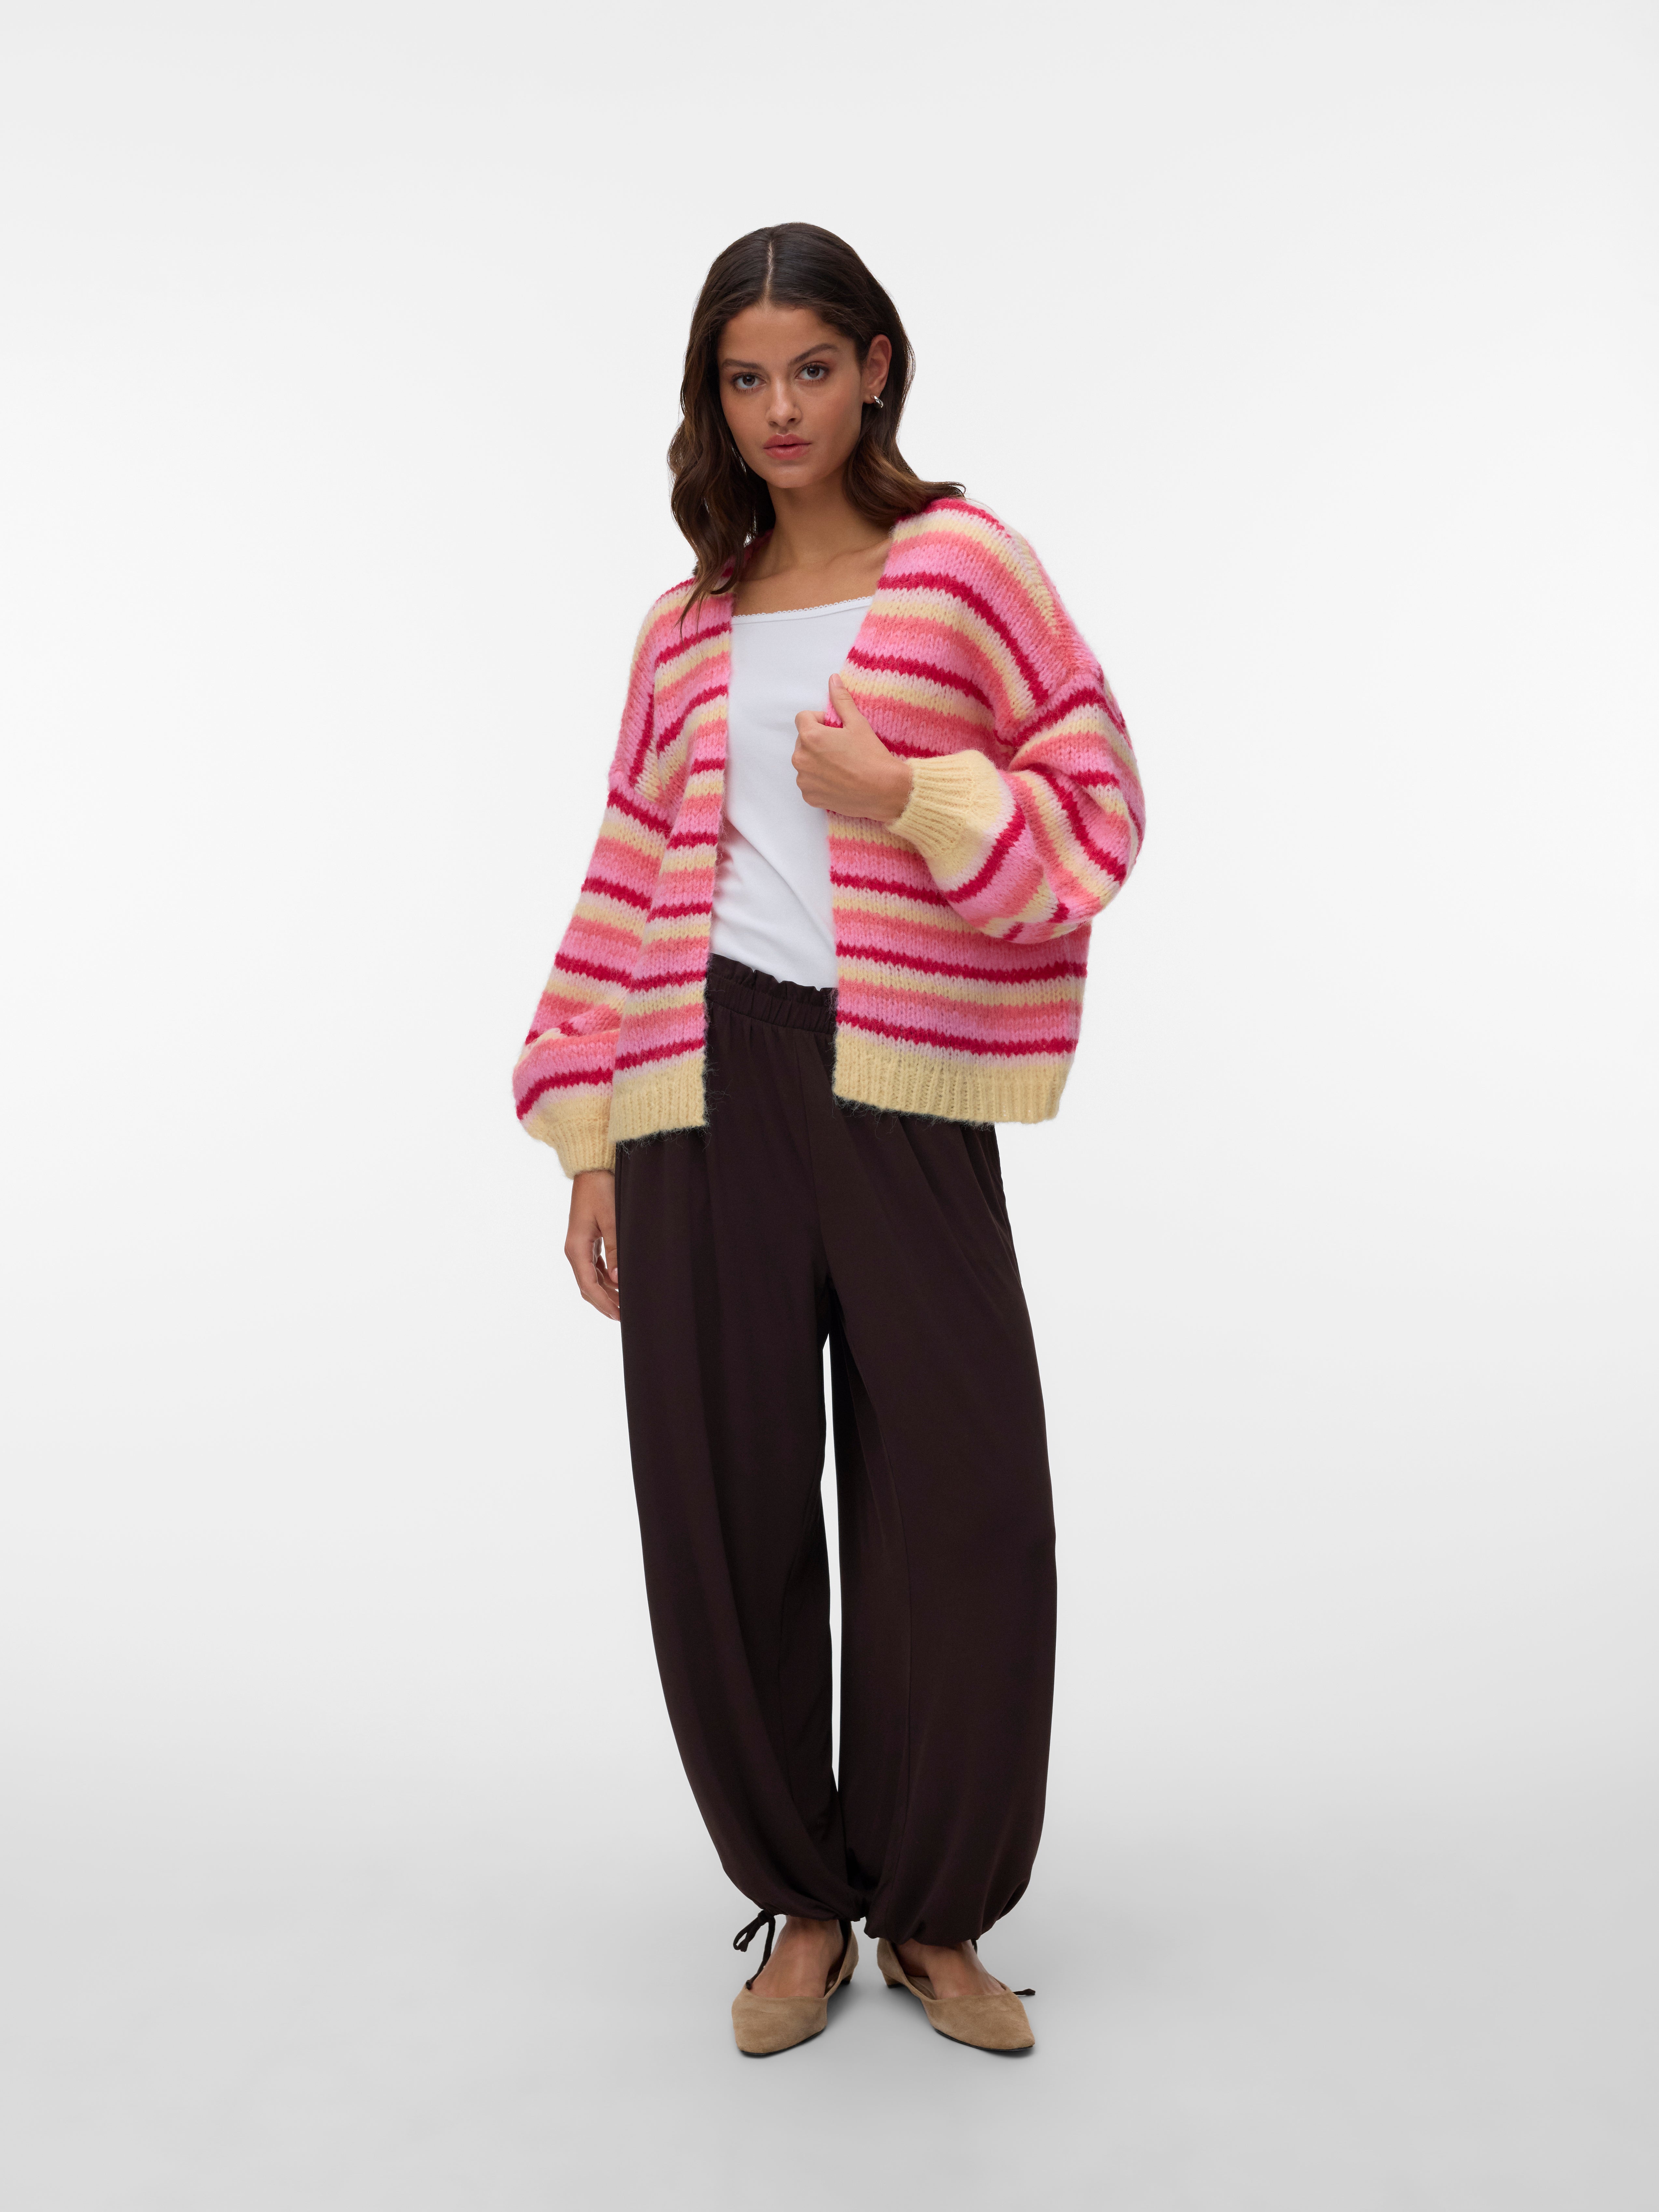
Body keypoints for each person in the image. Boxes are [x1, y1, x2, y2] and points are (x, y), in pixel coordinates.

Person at [513, 223, 1145, 2055]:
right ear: (711, 398)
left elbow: (1099, 811)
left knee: (966, 1496)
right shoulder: (686, 622)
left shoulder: (966, 569)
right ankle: (800, 1902)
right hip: (701, 1076)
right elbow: (626, 867)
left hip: (900, 1077)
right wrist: (588, 1136)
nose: (779, 407)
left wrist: (912, 794)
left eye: (809, 367)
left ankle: (937, 1913)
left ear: (876, 366)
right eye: (744, 377)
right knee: (721, 1498)